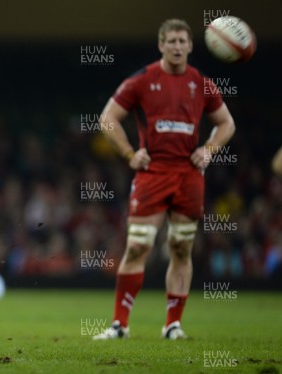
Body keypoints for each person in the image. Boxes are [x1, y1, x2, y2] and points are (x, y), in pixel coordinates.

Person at [93, 19, 235, 340]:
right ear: (160, 45)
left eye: (182, 41)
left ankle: (172, 325)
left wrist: (210, 149)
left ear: (191, 46)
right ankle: (120, 325)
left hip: (188, 175)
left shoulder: (201, 82)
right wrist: (130, 154)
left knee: (181, 248)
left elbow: (227, 123)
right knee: (138, 245)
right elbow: (108, 119)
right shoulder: (142, 80)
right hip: (152, 174)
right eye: (170, 41)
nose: (176, 46)